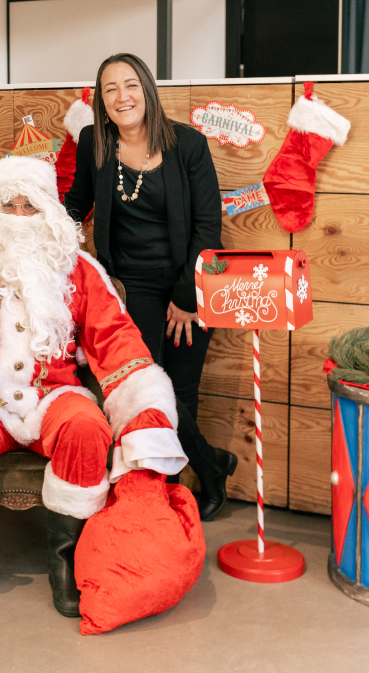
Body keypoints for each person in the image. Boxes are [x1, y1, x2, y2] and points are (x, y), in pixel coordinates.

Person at [0, 156, 188, 618]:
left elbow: (116, 339)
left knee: (87, 427)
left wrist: (146, 406)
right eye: (10, 206)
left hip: (55, 398)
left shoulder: (79, 270)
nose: (21, 218)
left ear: (50, 212)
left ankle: (62, 559)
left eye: (31, 207)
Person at [63, 53, 238, 521]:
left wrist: (186, 298)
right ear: (101, 100)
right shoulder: (93, 142)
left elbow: (207, 228)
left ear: (147, 89)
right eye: (110, 89)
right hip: (128, 286)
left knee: (182, 387)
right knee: (145, 391)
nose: (122, 97)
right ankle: (204, 467)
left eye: (130, 85)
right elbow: (77, 203)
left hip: (189, 285)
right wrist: (32, 227)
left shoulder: (188, 144)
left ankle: (181, 486)